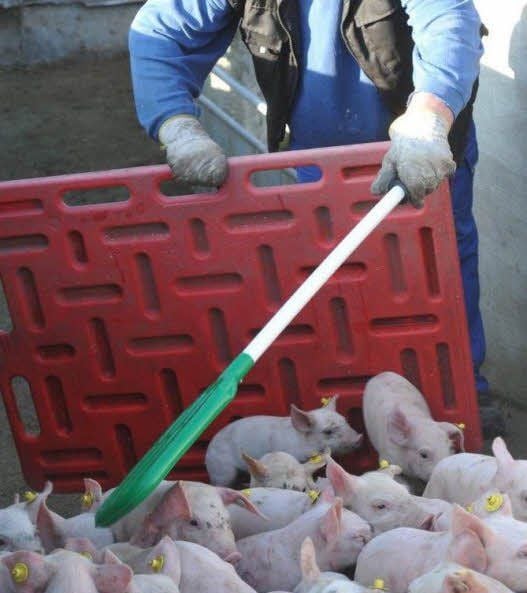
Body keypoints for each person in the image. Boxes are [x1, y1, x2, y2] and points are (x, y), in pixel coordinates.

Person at [128, 0, 506, 438]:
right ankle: (347, 407)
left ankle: (461, 394)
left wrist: (431, 116)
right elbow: (160, 32)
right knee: (336, 281)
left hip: (419, 146)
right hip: (319, 161)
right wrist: (175, 125)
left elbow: (448, 19)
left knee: (439, 267)